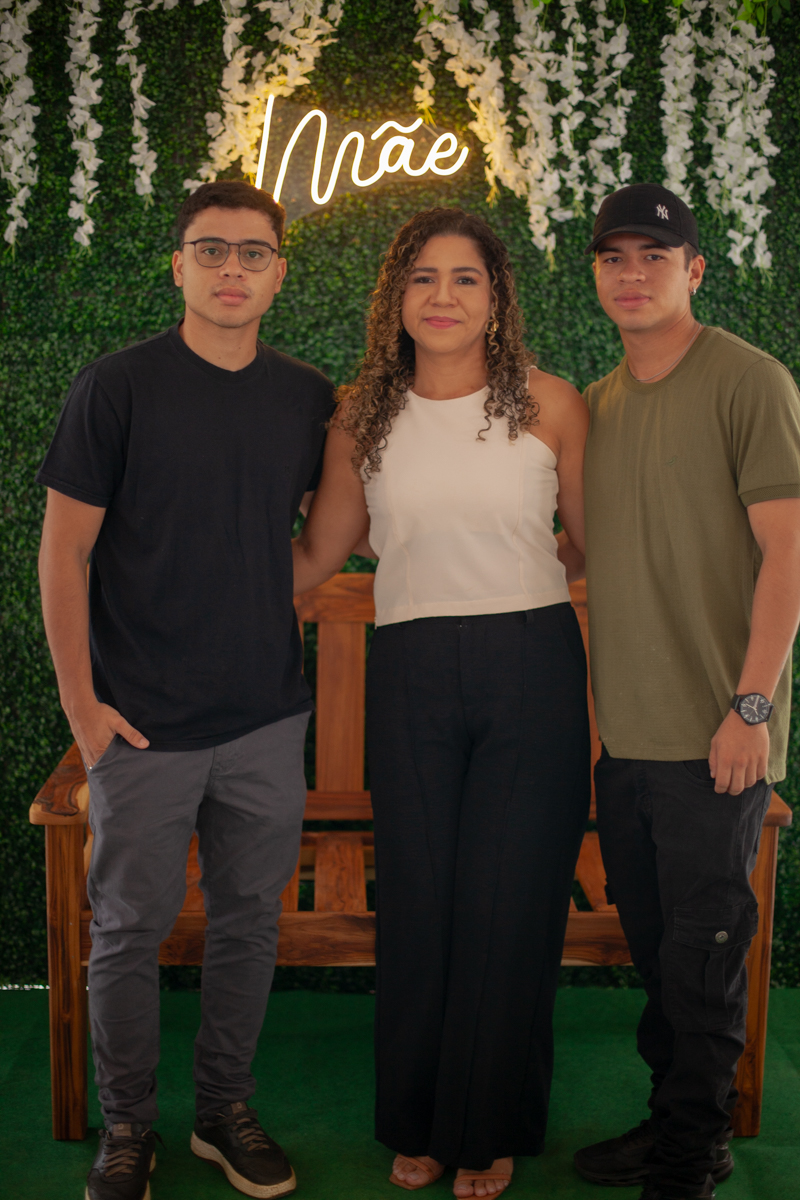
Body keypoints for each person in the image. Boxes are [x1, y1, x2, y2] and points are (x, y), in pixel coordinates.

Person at [36, 180, 333, 1200]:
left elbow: (327, 534)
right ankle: (128, 1127)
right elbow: (63, 554)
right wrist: (82, 709)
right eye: (211, 250)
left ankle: (222, 1112)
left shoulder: (306, 397)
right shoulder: (116, 386)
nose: (231, 269)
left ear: (279, 273)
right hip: (141, 724)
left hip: (265, 718)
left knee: (249, 925)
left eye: (252, 253)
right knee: (129, 931)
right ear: (178, 266)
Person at [292, 207, 591, 1197]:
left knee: (509, 903)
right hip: (412, 668)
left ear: (497, 297)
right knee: (420, 901)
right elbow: (318, 555)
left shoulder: (549, 404)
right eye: (422, 277)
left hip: (530, 666)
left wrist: (515, 577)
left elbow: (589, 542)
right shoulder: (360, 416)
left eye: (465, 278)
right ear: (396, 298)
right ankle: (418, 1122)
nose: (443, 296)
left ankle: (489, 1127)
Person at [573, 182, 800, 1200]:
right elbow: (581, 547)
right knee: (660, 956)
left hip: (717, 738)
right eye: (613, 257)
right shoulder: (597, 404)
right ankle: (672, 1125)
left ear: (693, 270)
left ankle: (690, 1159)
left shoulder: (749, 381)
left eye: (653, 257)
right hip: (626, 739)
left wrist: (750, 708)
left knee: (704, 960)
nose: (632, 274)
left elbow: (789, 554)